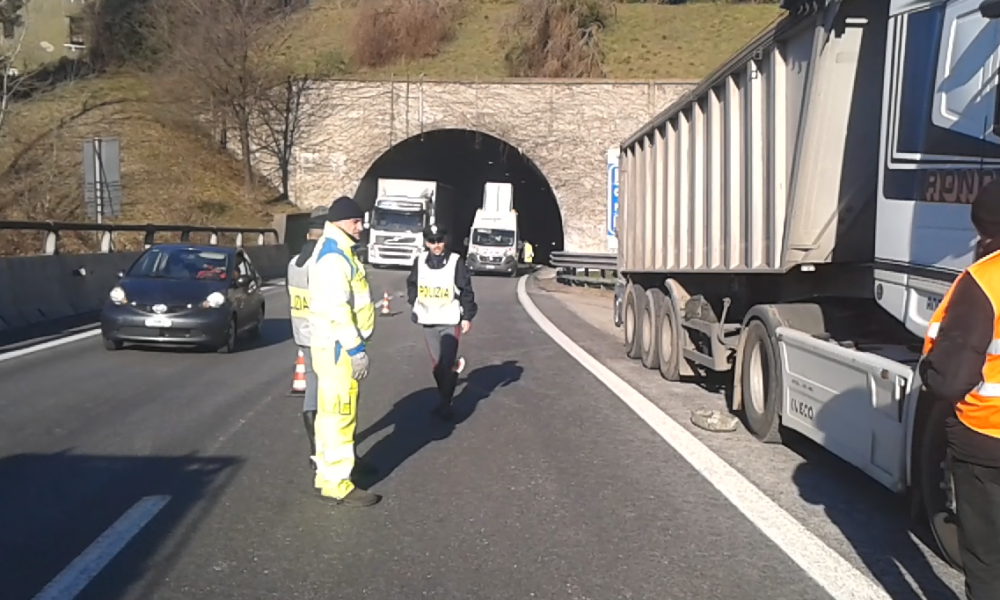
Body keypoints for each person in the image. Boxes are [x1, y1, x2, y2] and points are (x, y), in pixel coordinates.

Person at [919, 177, 1000, 599]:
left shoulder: (985, 280)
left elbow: (950, 378)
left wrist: (926, 375)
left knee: (988, 563)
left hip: (987, 443)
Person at [307, 195, 380, 508]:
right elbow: (338, 309)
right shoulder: (335, 258)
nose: (361, 227)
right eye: (356, 221)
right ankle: (339, 484)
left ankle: (326, 476)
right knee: (341, 415)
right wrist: (355, 349)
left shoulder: (335, 250)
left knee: (328, 415)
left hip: (328, 346)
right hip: (339, 349)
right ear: (340, 222)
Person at [406, 223, 478, 420]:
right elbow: (412, 283)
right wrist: (414, 302)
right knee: (438, 368)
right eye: (432, 241)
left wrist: (467, 316)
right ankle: (448, 388)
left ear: (444, 241)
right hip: (428, 320)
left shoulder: (456, 262)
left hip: (449, 319)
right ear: (426, 242)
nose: (436, 245)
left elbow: (466, 290)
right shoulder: (419, 261)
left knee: (445, 365)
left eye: (439, 241)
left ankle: (445, 404)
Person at [286, 206, 327, 471]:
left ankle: (314, 449)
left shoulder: (293, 263)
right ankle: (322, 449)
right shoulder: (321, 265)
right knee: (326, 394)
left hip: (302, 333)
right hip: (323, 336)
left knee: (311, 391)